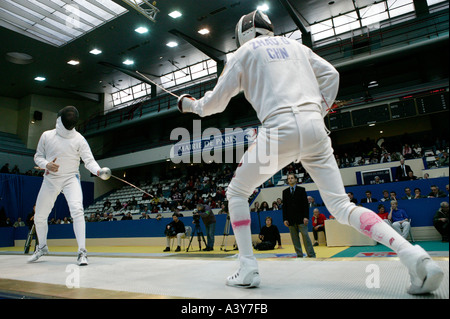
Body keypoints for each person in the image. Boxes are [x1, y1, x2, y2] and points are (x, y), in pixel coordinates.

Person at [176, 10, 443, 293]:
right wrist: (318, 110)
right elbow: (331, 74)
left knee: (237, 193)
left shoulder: (244, 53)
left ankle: (247, 267)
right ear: (269, 29)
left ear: (243, 34)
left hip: (278, 128)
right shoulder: (296, 46)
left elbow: (214, 104)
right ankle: (413, 256)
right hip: (315, 127)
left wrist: (189, 104)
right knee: (341, 206)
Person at [28, 106, 111, 266]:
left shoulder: (79, 139)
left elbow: (89, 161)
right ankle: (42, 247)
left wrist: (98, 171)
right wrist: (46, 164)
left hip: (70, 179)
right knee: (39, 215)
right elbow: (38, 157)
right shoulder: (47, 136)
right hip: (51, 179)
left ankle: (82, 252)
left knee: (77, 210)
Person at [282, 173, 316, 258]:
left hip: (301, 219)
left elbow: (305, 205)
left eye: (292, 178)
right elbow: (285, 207)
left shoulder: (301, 190)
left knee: (305, 237)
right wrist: (285, 219)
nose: (290, 179)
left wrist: (306, 217)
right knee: (295, 239)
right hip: (290, 219)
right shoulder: (285, 192)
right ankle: (299, 255)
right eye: (289, 178)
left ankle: (311, 255)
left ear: (296, 179)